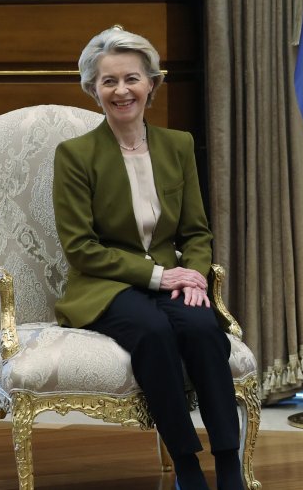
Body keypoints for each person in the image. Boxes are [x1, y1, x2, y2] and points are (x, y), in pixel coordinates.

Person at [52, 28, 244, 490]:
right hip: (106, 285)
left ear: (152, 84)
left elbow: (196, 231)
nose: (122, 91)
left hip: (174, 278)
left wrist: (194, 276)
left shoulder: (178, 145)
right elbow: (81, 248)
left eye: (132, 79)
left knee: (203, 330)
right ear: (93, 90)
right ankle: (186, 465)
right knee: (155, 332)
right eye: (109, 82)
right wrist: (160, 276)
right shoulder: (75, 155)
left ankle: (230, 463)